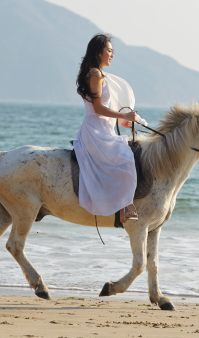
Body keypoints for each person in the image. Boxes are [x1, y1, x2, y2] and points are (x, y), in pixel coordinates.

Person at [73, 34, 139, 223]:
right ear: (98, 52)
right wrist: (124, 115)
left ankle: (122, 206)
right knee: (126, 160)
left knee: (124, 158)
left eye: (112, 51)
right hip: (95, 132)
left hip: (103, 128)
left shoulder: (98, 74)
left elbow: (101, 110)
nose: (111, 55)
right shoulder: (95, 74)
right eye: (109, 51)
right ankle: (124, 208)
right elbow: (97, 108)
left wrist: (121, 122)